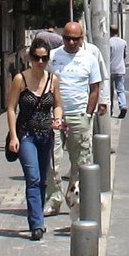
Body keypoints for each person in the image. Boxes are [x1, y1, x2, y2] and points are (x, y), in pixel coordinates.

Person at [42, 21, 103, 216]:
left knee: (81, 161)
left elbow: (95, 89)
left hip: (79, 116)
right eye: (67, 38)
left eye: (75, 39)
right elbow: (44, 83)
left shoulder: (89, 58)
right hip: (56, 117)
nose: (71, 42)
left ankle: (73, 196)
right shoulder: (53, 57)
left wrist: (88, 113)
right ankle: (54, 198)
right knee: (52, 159)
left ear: (81, 39)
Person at [6, 38, 64, 241]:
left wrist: (57, 119)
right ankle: (37, 225)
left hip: (45, 135)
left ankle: (37, 217)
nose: (40, 62)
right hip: (26, 135)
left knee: (42, 180)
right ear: (30, 58)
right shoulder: (20, 79)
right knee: (33, 178)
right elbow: (12, 108)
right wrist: (13, 135)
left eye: (44, 58)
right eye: (37, 58)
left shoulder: (53, 80)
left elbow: (57, 104)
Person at [109, 25, 128, 119]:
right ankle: (123, 105)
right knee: (120, 89)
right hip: (121, 68)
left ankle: (110, 109)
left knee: (110, 91)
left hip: (110, 69)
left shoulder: (108, 43)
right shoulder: (123, 42)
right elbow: (125, 55)